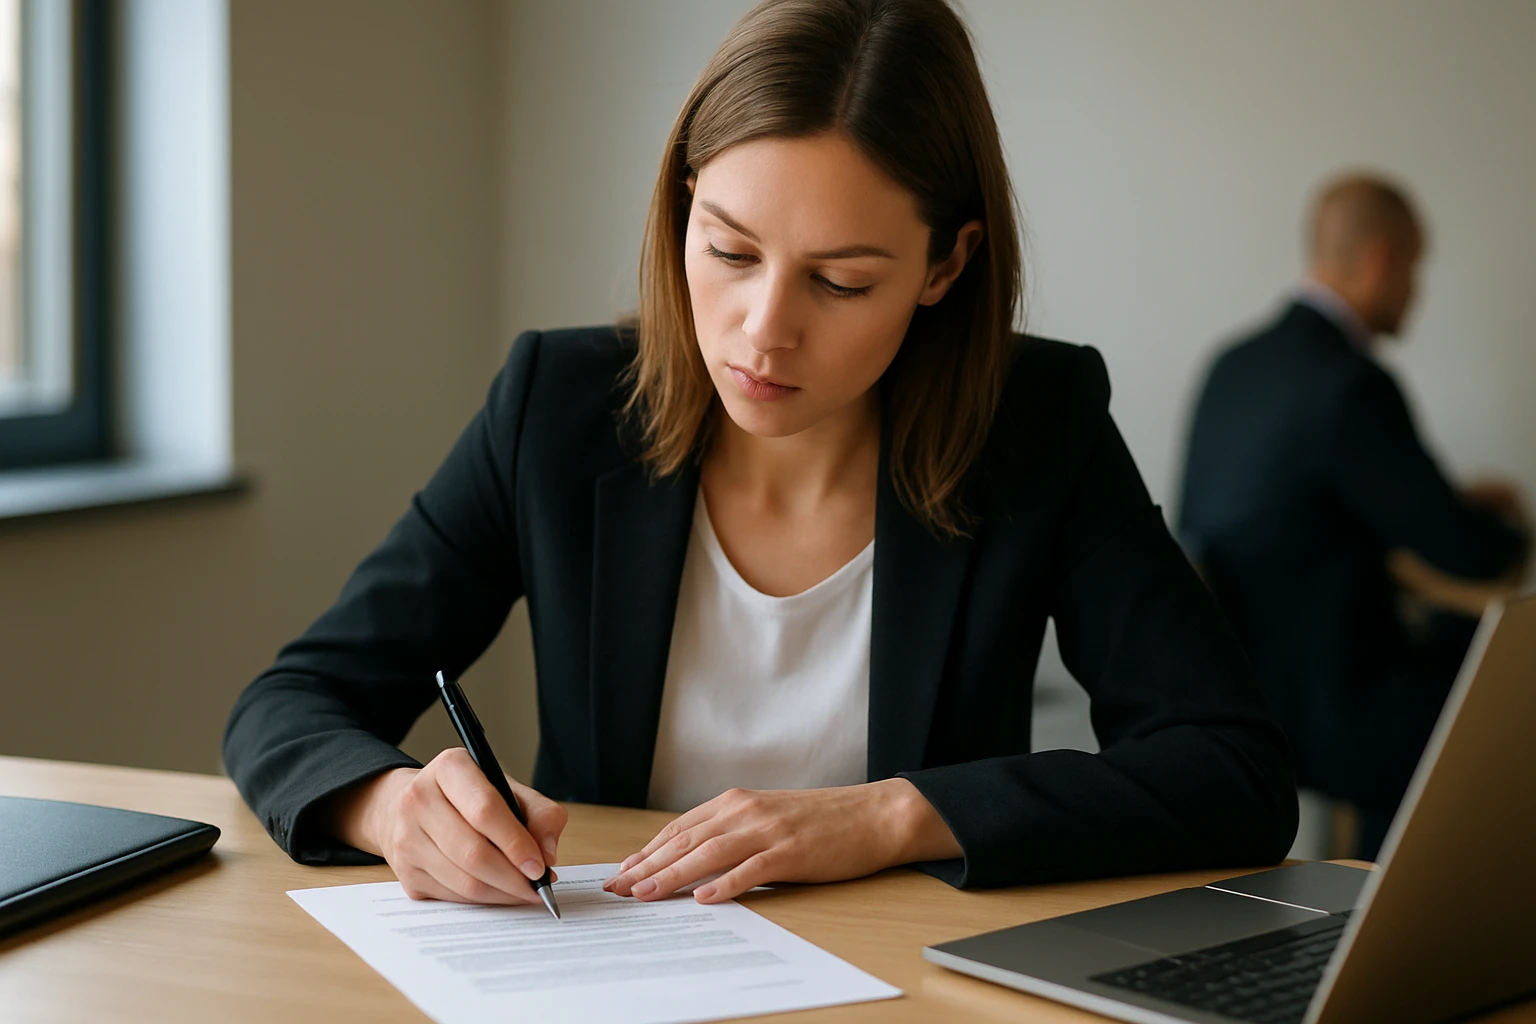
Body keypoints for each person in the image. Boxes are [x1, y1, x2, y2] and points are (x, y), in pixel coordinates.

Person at [224, 0, 1296, 910]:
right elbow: (293, 700)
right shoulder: (557, 406)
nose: (760, 331)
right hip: (602, 982)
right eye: (730, 250)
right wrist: (392, 803)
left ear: (945, 265)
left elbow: (1232, 770)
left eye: (840, 281)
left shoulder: (1039, 423)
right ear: (684, 205)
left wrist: (891, 815)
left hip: (904, 991)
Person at [1179, 173, 1529, 860]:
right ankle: (1397, 909)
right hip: (1336, 709)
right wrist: (1514, 529)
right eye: (1416, 269)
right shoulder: (1352, 384)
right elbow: (1466, 552)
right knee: (1508, 679)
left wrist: (1450, 502)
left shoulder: (1234, 365)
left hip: (1237, 695)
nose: (1416, 292)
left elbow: (1306, 513)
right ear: (1382, 260)